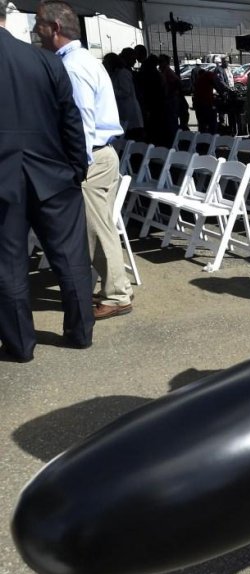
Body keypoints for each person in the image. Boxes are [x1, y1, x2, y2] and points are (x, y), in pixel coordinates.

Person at [0, 0, 92, 362]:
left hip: (7, 180)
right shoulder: (44, 60)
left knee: (8, 264)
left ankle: (20, 345)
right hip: (54, 174)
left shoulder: (46, 60)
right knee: (70, 258)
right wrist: (75, 169)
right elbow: (71, 121)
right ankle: (81, 332)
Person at [36, 0, 133, 320]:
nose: (37, 31)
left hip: (90, 157)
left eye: (39, 25)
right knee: (99, 226)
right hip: (96, 155)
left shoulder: (73, 66)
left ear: (55, 29)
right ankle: (115, 289)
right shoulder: (80, 61)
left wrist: (76, 164)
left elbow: (81, 125)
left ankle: (117, 294)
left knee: (96, 228)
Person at [103, 52, 144, 143]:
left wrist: (110, 91)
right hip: (124, 113)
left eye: (106, 63)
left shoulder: (123, 73)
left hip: (129, 112)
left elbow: (126, 91)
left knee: (133, 140)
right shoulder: (114, 74)